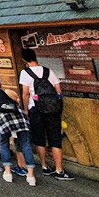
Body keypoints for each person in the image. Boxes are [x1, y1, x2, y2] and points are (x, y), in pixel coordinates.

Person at [19, 48, 74, 181]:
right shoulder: (48, 71)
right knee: (55, 139)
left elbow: (25, 93)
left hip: (35, 109)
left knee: (40, 138)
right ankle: (59, 170)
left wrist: (25, 109)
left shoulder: (25, 73)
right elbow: (58, 90)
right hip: (52, 109)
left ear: (24, 60)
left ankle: (44, 166)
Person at [0, 81, 36, 186]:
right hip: (18, 113)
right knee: (26, 144)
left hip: (2, 116)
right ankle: (31, 175)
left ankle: (8, 172)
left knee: (4, 143)